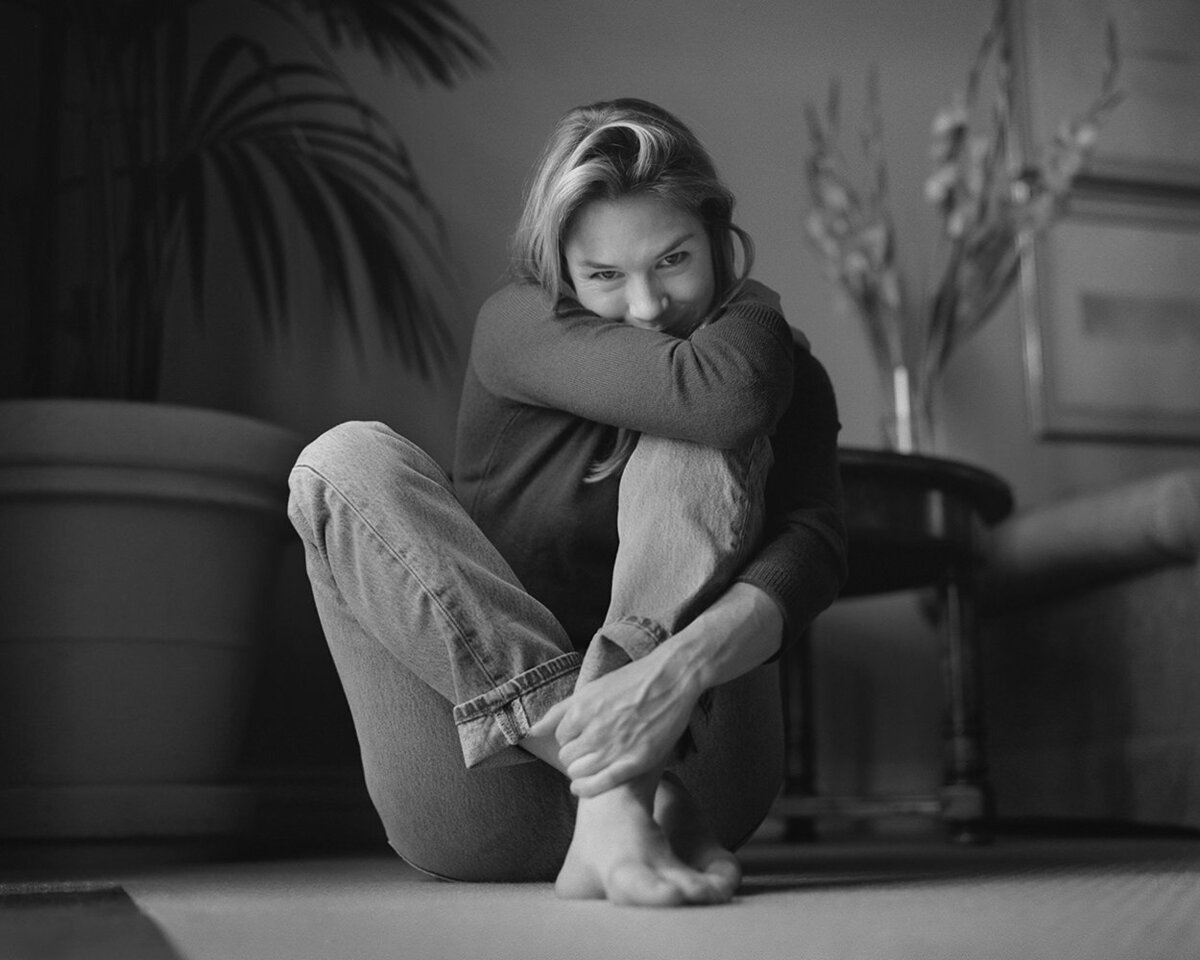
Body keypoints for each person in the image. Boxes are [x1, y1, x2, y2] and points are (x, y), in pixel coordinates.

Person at [287, 98, 847, 907]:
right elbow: (726, 390)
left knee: (703, 425)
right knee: (339, 460)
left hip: (697, 758)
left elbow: (813, 543)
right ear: (557, 270)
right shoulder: (517, 323)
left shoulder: (767, 366)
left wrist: (672, 677)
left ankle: (628, 784)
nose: (648, 308)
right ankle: (622, 798)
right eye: (605, 277)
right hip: (482, 787)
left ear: (719, 238)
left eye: (676, 259)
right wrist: (620, 771)